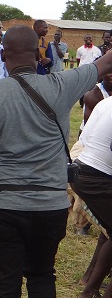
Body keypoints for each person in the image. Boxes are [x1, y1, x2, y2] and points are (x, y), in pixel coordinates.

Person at [0, 25, 112, 298]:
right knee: (42, 275)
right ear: (37, 54)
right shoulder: (62, 84)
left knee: (3, 287)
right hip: (50, 206)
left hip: (1, 206)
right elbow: (106, 62)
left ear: (3, 56)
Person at [72, 96, 112, 298]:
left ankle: (90, 286)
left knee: (109, 230)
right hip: (97, 177)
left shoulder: (107, 102)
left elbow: (85, 139)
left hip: (81, 170)